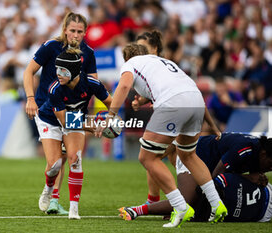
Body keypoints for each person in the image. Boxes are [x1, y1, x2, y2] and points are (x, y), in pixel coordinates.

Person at [95, 41, 227, 228]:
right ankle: (217, 204)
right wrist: (212, 125)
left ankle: (180, 207)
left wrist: (111, 115)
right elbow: (182, 88)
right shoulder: (163, 62)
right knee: (188, 155)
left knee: (147, 158)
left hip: (173, 103)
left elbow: (123, 86)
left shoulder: (130, 64)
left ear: (127, 58)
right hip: (196, 100)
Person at [134, 30, 221, 207]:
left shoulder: (164, 65)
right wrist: (142, 100)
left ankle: (167, 203)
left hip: (177, 117)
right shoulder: (153, 67)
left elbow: (186, 91)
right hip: (175, 116)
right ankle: (204, 199)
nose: (139, 52)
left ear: (155, 48)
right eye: (137, 48)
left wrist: (211, 124)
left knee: (152, 156)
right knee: (173, 158)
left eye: (143, 48)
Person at [23, 12, 97, 215]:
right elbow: (28, 71)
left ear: (85, 32)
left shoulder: (88, 53)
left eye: (80, 31)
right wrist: (30, 98)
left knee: (72, 157)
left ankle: (59, 201)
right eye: (72, 30)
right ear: (65, 29)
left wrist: (96, 116)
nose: (75, 35)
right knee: (55, 162)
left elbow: (93, 84)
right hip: (48, 110)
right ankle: (50, 191)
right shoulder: (51, 47)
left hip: (72, 113)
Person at [27, 44, 112, 219]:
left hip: (75, 120)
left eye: (63, 70)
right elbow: (65, 122)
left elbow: (111, 102)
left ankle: (74, 209)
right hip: (50, 120)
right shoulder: (54, 88)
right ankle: (48, 187)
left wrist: (110, 120)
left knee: (75, 159)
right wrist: (93, 124)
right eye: (57, 68)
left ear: (74, 72)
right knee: (55, 165)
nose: (58, 73)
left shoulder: (92, 83)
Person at [119, 133, 272, 222]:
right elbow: (215, 177)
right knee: (186, 201)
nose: (270, 169)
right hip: (194, 156)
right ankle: (137, 210)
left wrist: (255, 177)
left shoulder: (259, 152)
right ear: (264, 154)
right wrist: (247, 178)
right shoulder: (245, 148)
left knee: (195, 203)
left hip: (205, 161)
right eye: (270, 165)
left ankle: (162, 206)